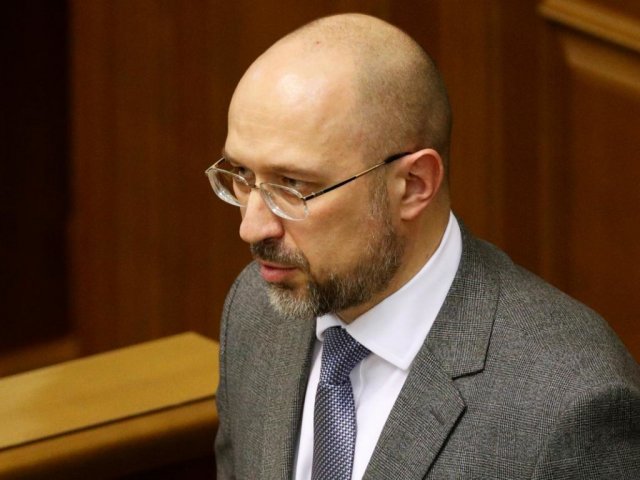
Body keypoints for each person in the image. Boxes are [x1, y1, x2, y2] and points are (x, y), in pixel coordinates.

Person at [209, 13, 640, 480]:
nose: (252, 227)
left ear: (414, 184)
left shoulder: (568, 407)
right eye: (243, 176)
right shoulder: (256, 310)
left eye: (293, 186)